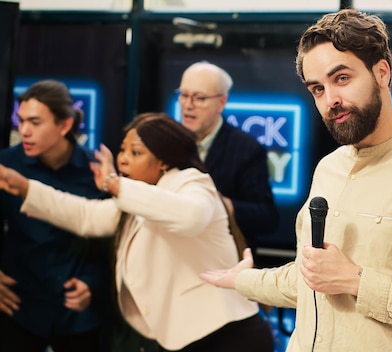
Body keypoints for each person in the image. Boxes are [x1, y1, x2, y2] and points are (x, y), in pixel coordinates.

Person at [200, 8, 392, 351]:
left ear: (381, 72)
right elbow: (313, 280)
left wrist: (357, 281)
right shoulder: (329, 168)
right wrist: (244, 280)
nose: (330, 100)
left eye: (341, 79)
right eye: (317, 89)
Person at [0, 112, 274, 352]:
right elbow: (85, 215)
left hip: (227, 336)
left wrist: (115, 185)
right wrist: (26, 187)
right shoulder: (138, 199)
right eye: (122, 150)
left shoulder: (191, 181)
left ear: (164, 161)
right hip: (183, 339)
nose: (123, 160)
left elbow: (191, 217)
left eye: (135, 152)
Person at [0, 79, 112, 352]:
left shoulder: (96, 173)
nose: (24, 131)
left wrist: (92, 283)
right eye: (21, 121)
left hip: (77, 310)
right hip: (18, 303)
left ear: (65, 125)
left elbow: (110, 243)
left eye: (35, 123)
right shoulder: (6, 166)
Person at [178, 61, 279, 253]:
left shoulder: (247, 149)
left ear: (221, 102)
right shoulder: (168, 142)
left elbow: (267, 218)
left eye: (199, 98)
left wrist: (223, 205)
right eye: (184, 95)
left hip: (221, 258)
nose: (188, 105)